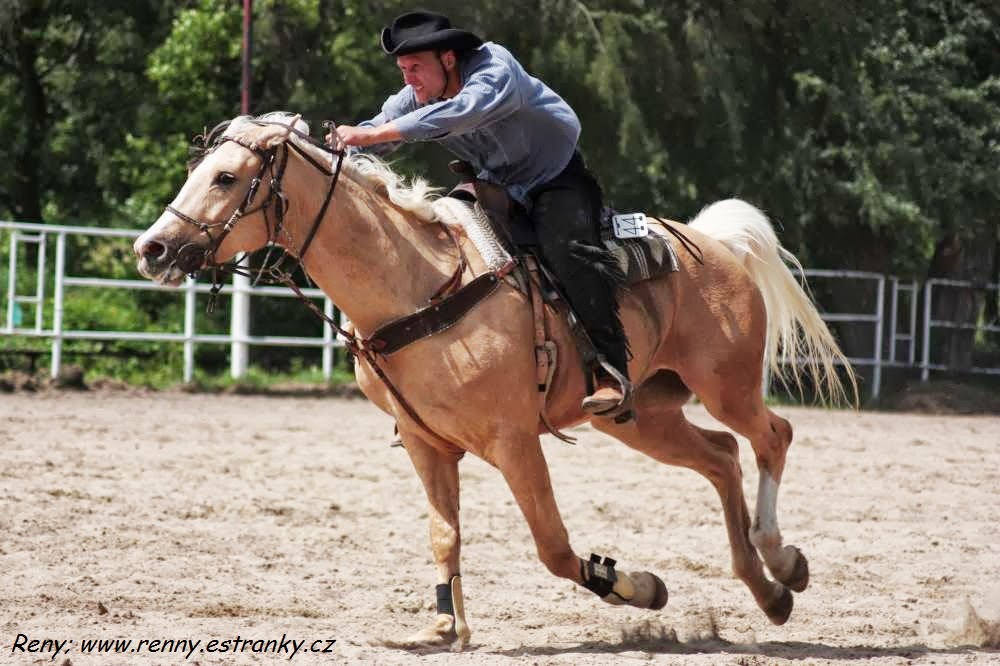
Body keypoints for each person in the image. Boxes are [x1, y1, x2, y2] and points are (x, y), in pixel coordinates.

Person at [327, 10, 631, 417]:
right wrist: (327, 151)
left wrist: (373, 134)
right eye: (402, 70)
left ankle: (611, 372)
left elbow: (463, 111)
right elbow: (379, 127)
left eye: (415, 67)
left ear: (448, 59)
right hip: (493, 185)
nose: (408, 79)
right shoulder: (416, 94)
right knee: (434, 249)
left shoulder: (494, 68)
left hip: (554, 179)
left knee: (570, 252)